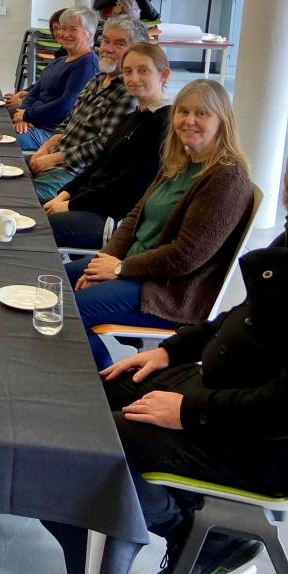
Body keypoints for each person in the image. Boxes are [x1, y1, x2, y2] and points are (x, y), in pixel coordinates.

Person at [48, 102, 288, 574]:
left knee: (77, 454)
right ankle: (174, 531)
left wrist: (188, 411)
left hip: (264, 443)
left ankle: (197, 537)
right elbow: (248, 312)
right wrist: (172, 350)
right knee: (78, 406)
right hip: (223, 391)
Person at [65, 78, 254, 370]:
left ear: (222, 121)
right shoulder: (179, 163)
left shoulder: (226, 178)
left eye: (202, 113)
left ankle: (101, 383)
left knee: (66, 309)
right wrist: (105, 261)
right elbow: (133, 219)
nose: (189, 120)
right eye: (183, 111)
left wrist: (118, 269)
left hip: (167, 291)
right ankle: (93, 368)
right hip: (133, 270)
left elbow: (186, 256)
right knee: (51, 280)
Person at [44, 42, 172, 249]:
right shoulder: (133, 116)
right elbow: (99, 165)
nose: (134, 78)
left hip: (114, 218)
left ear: (163, 75)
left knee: (37, 227)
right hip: (91, 203)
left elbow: (129, 187)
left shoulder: (162, 123)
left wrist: (70, 205)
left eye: (143, 71)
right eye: (128, 71)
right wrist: (65, 193)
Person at [27, 17, 147, 201]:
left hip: (76, 174)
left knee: (17, 197)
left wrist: (52, 159)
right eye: (106, 41)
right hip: (55, 158)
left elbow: (103, 145)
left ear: (136, 52)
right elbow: (67, 122)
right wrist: (44, 150)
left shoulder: (129, 92)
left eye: (119, 43)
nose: (108, 48)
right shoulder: (97, 79)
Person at [9, 7, 100, 151]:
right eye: (63, 28)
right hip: (34, 121)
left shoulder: (87, 64)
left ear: (89, 34)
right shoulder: (60, 60)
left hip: (50, 132)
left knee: (0, 137)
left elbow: (66, 106)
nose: (65, 34)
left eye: (73, 30)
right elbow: (36, 91)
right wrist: (24, 114)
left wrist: (28, 115)